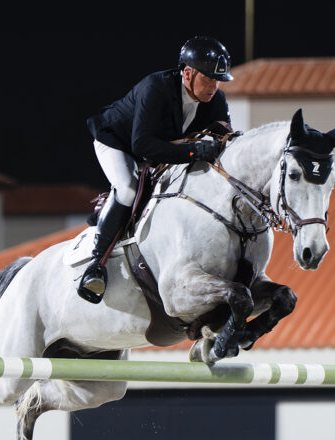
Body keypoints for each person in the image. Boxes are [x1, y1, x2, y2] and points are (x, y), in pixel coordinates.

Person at [78, 36, 235, 303]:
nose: (214, 86)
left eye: (218, 79)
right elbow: (144, 146)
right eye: (208, 78)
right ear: (188, 73)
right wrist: (194, 150)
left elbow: (225, 136)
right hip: (118, 142)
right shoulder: (156, 88)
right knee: (128, 188)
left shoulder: (215, 99)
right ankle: (95, 265)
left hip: (160, 146)